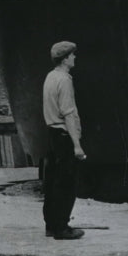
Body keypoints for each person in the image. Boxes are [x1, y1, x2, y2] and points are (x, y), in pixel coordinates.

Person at [42, 41, 87, 240]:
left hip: (51, 134)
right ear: (65, 58)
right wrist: (77, 145)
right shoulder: (65, 80)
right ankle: (62, 227)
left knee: (52, 181)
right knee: (66, 183)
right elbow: (68, 113)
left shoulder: (50, 77)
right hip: (64, 136)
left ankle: (51, 225)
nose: (74, 58)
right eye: (72, 55)